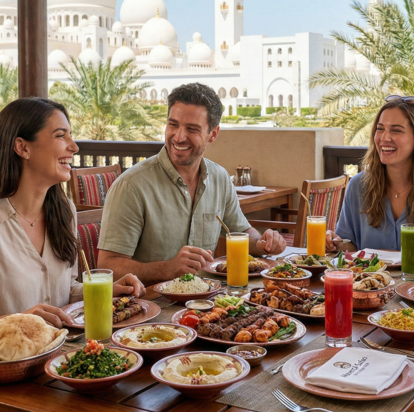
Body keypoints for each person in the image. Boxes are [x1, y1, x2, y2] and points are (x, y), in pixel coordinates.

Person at [0, 98, 144, 350]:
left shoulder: (64, 211)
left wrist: (107, 291)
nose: (74, 147)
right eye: (60, 136)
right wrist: (17, 322)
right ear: (22, 147)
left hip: (52, 359)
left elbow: (59, 293)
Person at [97, 83, 287, 285]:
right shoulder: (131, 186)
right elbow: (107, 267)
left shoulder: (220, 178)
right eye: (173, 124)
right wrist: (166, 268)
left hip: (209, 302)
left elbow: (240, 231)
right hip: (152, 308)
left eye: (192, 129)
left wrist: (262, 242)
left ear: (213, 134)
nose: (179, 136)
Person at [326, 95, 414, 262]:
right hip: (369, 285)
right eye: (380, 128)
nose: (384, 138)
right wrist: (335, 243)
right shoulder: (358, 186)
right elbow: (351, 245)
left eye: (396, 130)